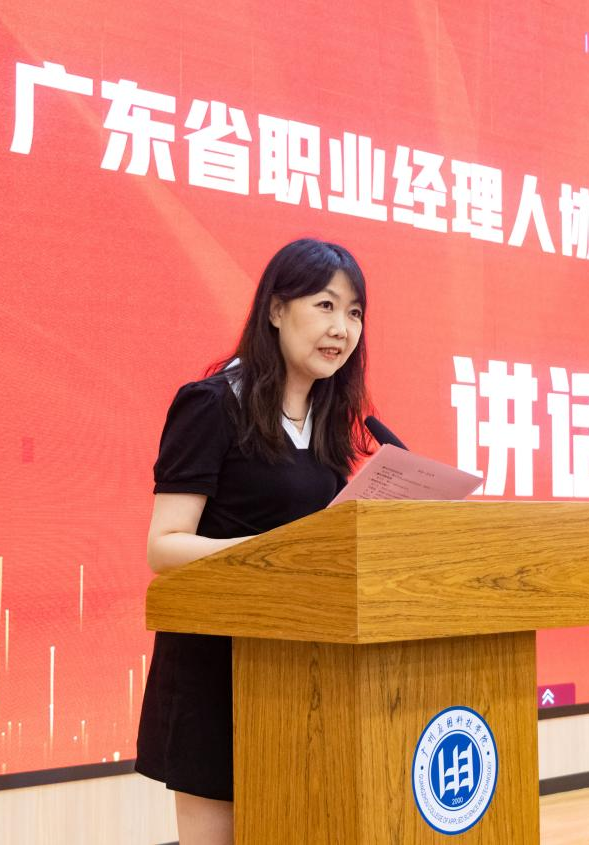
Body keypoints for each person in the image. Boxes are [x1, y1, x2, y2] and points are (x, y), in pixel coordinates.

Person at [134, 238, 371, 844]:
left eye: (353, 313)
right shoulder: (213, 404)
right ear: (275, 309)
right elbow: (165, 545)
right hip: (217, 666)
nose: (341, 329)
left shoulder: (328, 425)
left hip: (301, 670)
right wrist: (275, 558)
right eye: (325, 305)